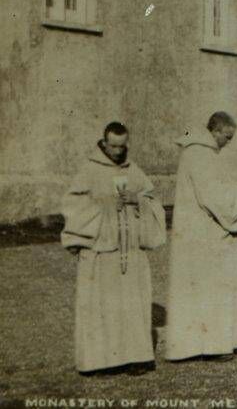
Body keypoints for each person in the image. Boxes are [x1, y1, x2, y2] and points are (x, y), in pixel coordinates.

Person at [60, 122, 166, 375]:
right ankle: (101, 362)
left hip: (130, 252)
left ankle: (136, 358)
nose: (118, 151)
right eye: (113, 146)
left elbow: (153, 199)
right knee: (102, 306)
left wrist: (138, 200)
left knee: (131, 304)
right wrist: (106, 204)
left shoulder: (134, 170)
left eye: (122, 146)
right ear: (104, 143)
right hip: (102, 251)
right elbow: (72, 205)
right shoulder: (88, 170)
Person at [165, 112, 237, 362]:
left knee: (205, 287)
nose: (228, 142)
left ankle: (207, 343)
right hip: (206, 234)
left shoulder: (200, 154)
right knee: (211, 287)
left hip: (202, 232)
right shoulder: (200, 155)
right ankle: (214, 345)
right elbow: (214, 197)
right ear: (215, 131)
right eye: (227, 137)